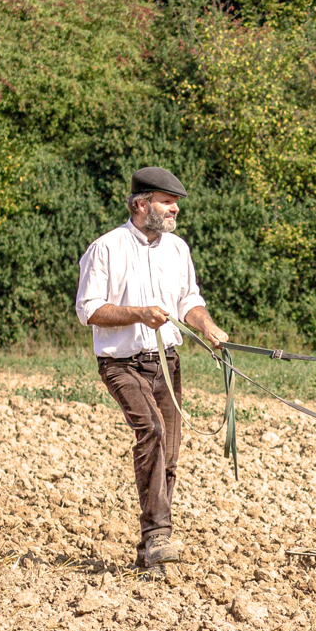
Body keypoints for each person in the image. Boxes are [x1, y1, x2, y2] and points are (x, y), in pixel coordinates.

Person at [75, 167, 229, 568]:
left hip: (168, 363)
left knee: (171, 453)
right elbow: (88, 310)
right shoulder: (105, 248)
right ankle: (159, 534)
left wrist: (207, 326)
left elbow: (188, 301)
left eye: (175, 202)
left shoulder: (178, 249)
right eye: (167, 201)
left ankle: (150, 551)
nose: (175, 209)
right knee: (154, 432)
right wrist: (138, 314)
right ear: (141, 204)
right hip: (122, 363)